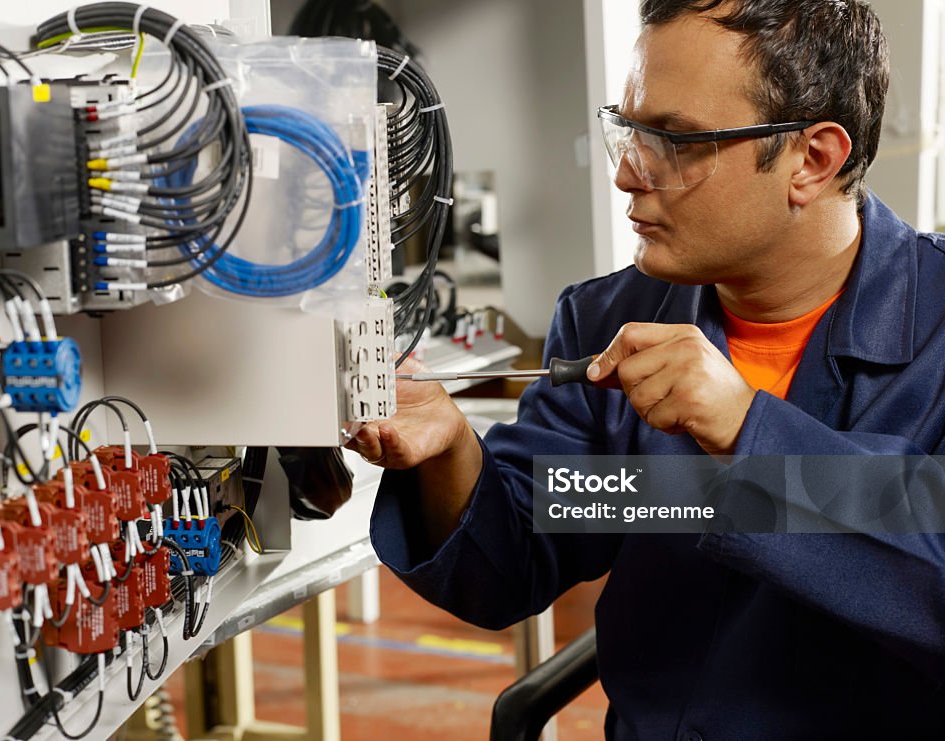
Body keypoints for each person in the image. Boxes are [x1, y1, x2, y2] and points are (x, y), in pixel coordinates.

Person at [349, 0, 945, 737]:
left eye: (677, 141)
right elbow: (513, 558)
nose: (630, 173)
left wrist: (747, 431)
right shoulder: (611, 322)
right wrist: (451, 451)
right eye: (630, 129)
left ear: (812, 160)